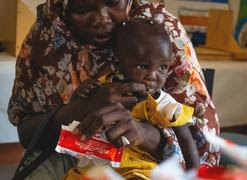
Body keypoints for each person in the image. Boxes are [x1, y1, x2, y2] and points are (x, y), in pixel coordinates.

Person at [7, 0, 219, 179]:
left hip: (147, 163)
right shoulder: (49, 34)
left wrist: (144, 134)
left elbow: (203, 151)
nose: (100, 18)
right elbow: (27, 133)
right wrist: (73, 112)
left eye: (113, 2)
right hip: (71, 157)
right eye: (82, 8)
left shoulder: (161, 33)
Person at [68, 18, 199, 179]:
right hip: (94, 165)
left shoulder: (162, 102)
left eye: (162, 67)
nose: (153, 76)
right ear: (118, 62)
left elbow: (186, 139)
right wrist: (80, 93)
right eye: (142, 66)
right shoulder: (104, 89)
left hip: (138, 169)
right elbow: (74, 113)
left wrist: (195, 175)